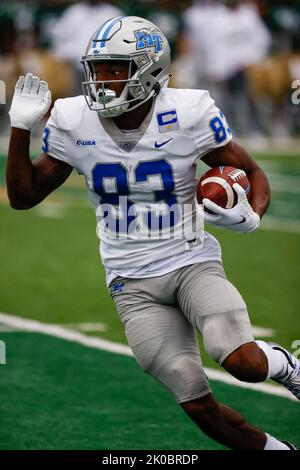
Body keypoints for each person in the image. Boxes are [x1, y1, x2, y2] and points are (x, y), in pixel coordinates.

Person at [6, 16, 299, 450]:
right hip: (129, 281)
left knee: (245, 363)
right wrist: (19, 130)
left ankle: (287, 365)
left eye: (114, 69)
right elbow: (23, 197)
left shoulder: (189, 111)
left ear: (150, 70)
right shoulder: (73, 119)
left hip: (191, 260)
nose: (101, 81)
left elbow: (250, 171)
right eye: (97, 69)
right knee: (198, 404)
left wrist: (252, 214)